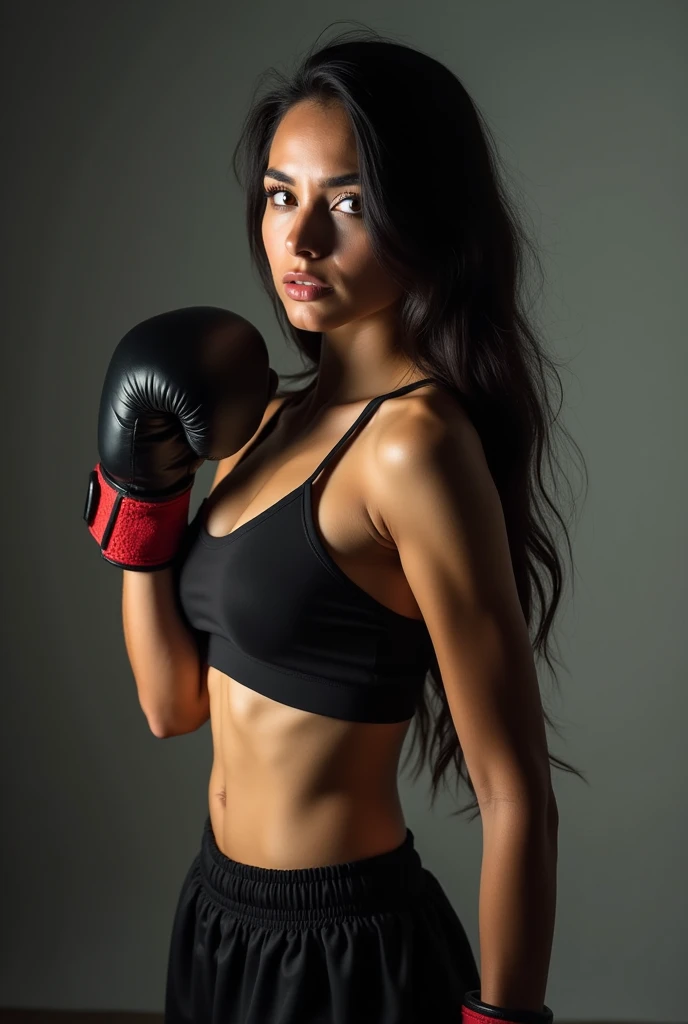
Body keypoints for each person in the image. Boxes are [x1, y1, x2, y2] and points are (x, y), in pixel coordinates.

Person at [91, 23, 586, 1024]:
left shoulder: (414, 446)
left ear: (424, 219)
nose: (299, 239)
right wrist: (137, 490)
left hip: (343, 952)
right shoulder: (263, 419)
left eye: (347, 204)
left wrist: (503, 1018)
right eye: (281, 195)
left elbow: (515, 793)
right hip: (216, 916)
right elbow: (169, 703)